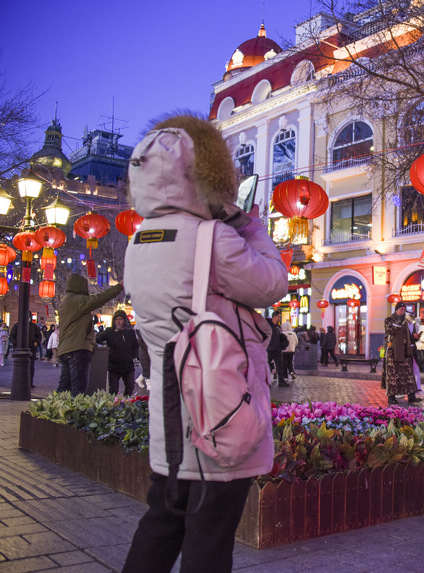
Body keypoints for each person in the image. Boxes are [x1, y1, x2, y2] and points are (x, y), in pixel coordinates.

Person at [122, 114, 289, 573]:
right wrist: (250, 227)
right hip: (220, 414)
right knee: (210, 542)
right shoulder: (212, 238)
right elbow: (272, 282)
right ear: (207, 175)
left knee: (161, 524)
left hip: (169, 414)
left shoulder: (139, 240)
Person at [57, 273, 124, 396]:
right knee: (78, 388)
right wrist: (119, 287)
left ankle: (59, 411)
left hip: (65, 349)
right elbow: (99, 298)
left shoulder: (65, 301)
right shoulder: (78, 301)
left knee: (64, 388)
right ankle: (75, 413)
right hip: (78, 348)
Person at [381, 302, 421, 405]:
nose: (403, 312)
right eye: (401, 310)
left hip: (405, 352)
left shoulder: (405, 322)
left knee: (409, 375)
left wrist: (414, 337)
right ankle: (391, 398)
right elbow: (391, 331)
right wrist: (399, 321)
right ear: (396, 310)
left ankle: (412, 397)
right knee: (393, 376)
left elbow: (407, 336)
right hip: (393, 352)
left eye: (404, 310)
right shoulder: (389, 320)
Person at [96, 309, 139, 396]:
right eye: (116, 319)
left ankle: (126, 403)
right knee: (113, 389)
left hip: (128, 365)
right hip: (114, 366)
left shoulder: (130, 332)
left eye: (120, 319)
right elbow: (98, 338)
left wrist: (135, 356)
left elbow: (135, 345)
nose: (118, 322)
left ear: (124, 320)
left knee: (130, 386)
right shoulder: (109, 331)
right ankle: (114, 406)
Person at [9, 317, 42, 388]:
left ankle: (29, 383)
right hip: (20, 348)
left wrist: (36, 342)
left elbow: (39, 336)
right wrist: (16, 344)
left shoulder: (33, 326)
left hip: (31, 349)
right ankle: (20, 383)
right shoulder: (17, 325)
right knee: (20, 367)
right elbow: (12, 336)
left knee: (31, 367)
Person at [267, 312, 288, 387]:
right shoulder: (268, 326)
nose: (280, 318)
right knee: (266, 364)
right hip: (269, 349)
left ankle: (281, 381)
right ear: (274, 317)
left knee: (280, 366)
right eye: (279, 317)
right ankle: (265, 381)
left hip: (278, 349)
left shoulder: (278, 327)